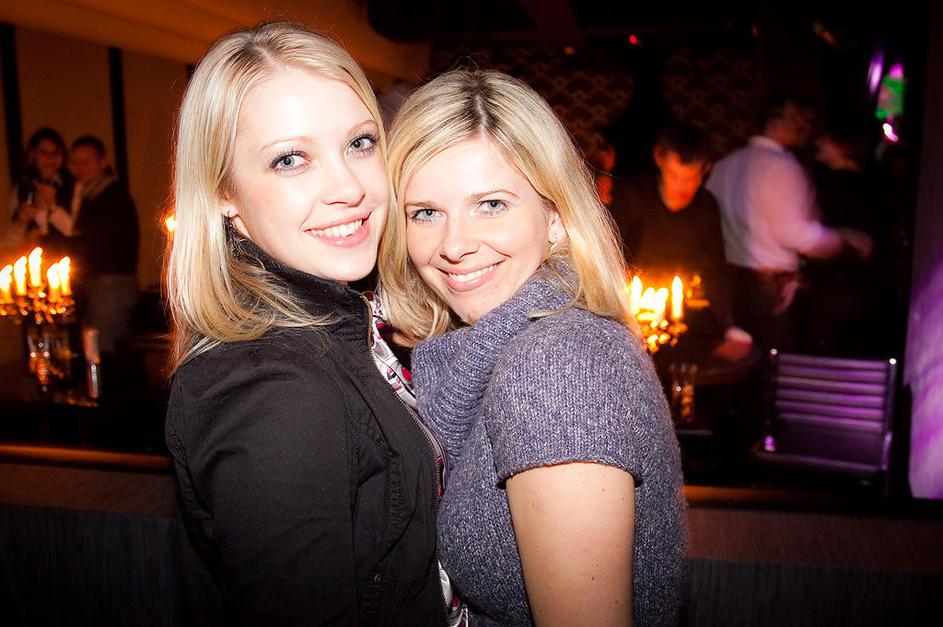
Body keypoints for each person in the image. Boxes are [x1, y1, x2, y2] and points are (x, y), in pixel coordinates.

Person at [380, 69, 686, 626]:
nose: (454, 245)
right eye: (425, 212)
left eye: (491, 204)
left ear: (556, 217)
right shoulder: (507, 342)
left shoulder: (557, 364)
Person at [163, 22, 444, 625]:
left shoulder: (348, 324)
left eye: (360, 143)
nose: (348, 186)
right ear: (223, 192)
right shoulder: (274, 393)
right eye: (291, 159)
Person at [706, 96, 872, 350]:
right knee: (773, 363)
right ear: (775, 122)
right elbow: (794, 234)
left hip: (732, 284)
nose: (803, 126)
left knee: (744, 361)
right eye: (795, 118)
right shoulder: (781, 167)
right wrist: (843, 240)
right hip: (771, 287)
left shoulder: (725, 165)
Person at [611, 122, 751, 362]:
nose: (681, 186)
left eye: (691, 178)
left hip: (680, 319)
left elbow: (714, 269)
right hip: (630, 316)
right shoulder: (633, 195)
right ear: (659, 159)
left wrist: (728, 324)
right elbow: (611, 255)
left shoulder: (706, 206)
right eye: (674, 175)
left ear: (705, 168)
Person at [47, 135, 139, 353]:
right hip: (98, 283)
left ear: (103, 161)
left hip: (111, 285)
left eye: (86, 161)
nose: (80, 168)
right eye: (75, 162)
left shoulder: (112, 196)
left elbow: (96, 242)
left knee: (104, 350)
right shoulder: (89, 193)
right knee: (94, 348)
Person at [4, 127, 75, 254]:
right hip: (32, 257)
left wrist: (49, 208)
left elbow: (75, 231)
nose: (50, 158)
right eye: (43, 152)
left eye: (55, 153)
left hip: (66, 256)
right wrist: (21, 222)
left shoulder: (73, 186)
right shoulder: (22, 189)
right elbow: (10, 242)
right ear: (32, 155)